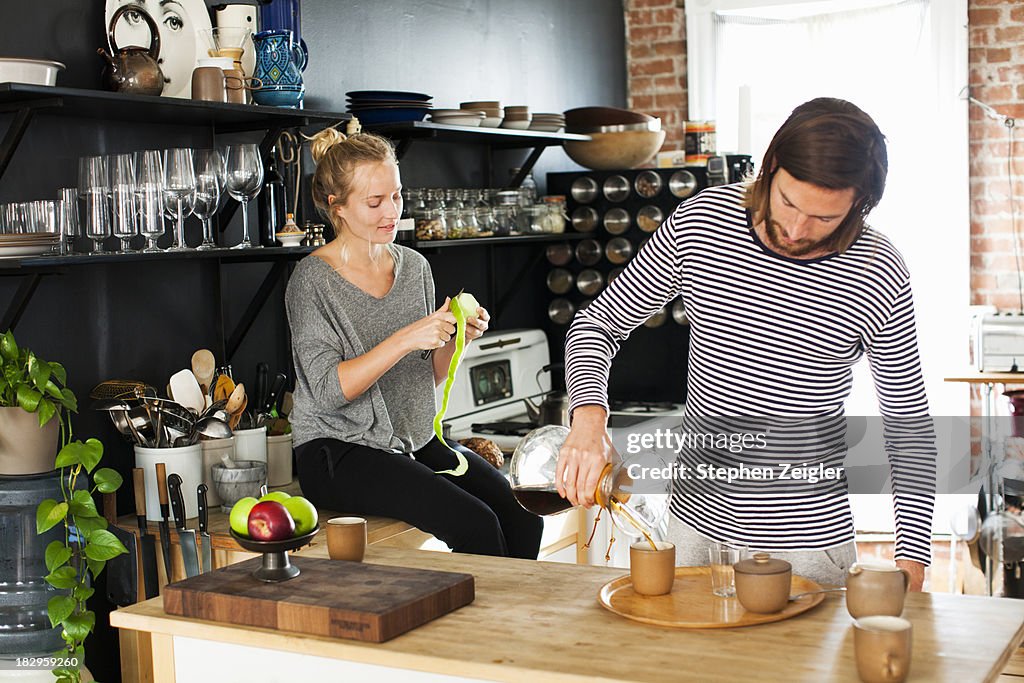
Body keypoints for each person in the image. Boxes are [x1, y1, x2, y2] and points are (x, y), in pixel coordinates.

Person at [557, 98, 935, 588]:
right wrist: (588, 415)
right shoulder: (702, 222)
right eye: (790, 203)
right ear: (770, 167)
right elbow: (597, 323)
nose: (797, 230)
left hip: (807, 545)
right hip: (693, 531)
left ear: (859, 205)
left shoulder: (878, 268)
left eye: (824, 219)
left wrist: (914, 555)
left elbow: (908, 425)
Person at [284, 128, 542, 559]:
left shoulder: (415, 268)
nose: (391, 211)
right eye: (374, 202)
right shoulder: (312, 281)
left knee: (523, 513)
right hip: (337, 452)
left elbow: (429, 377)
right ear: (337, 207)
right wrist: (406, 338)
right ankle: (474, 629)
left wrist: (453, 339)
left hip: (413, 442)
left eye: (396, 196)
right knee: (475, 525)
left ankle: (507, 623)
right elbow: (330, 392)